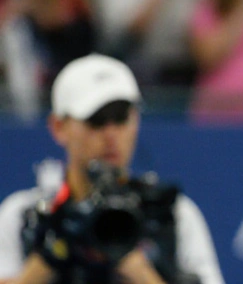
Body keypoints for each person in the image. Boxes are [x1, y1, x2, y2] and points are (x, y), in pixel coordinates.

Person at [0, 54, 223, 284]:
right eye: (95, 121)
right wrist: (48, 260)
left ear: (135, 121)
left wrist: (141, 272)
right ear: (59, 127)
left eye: (120, 118)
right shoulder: (24, 218)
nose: (111, 135)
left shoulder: (172, 216)